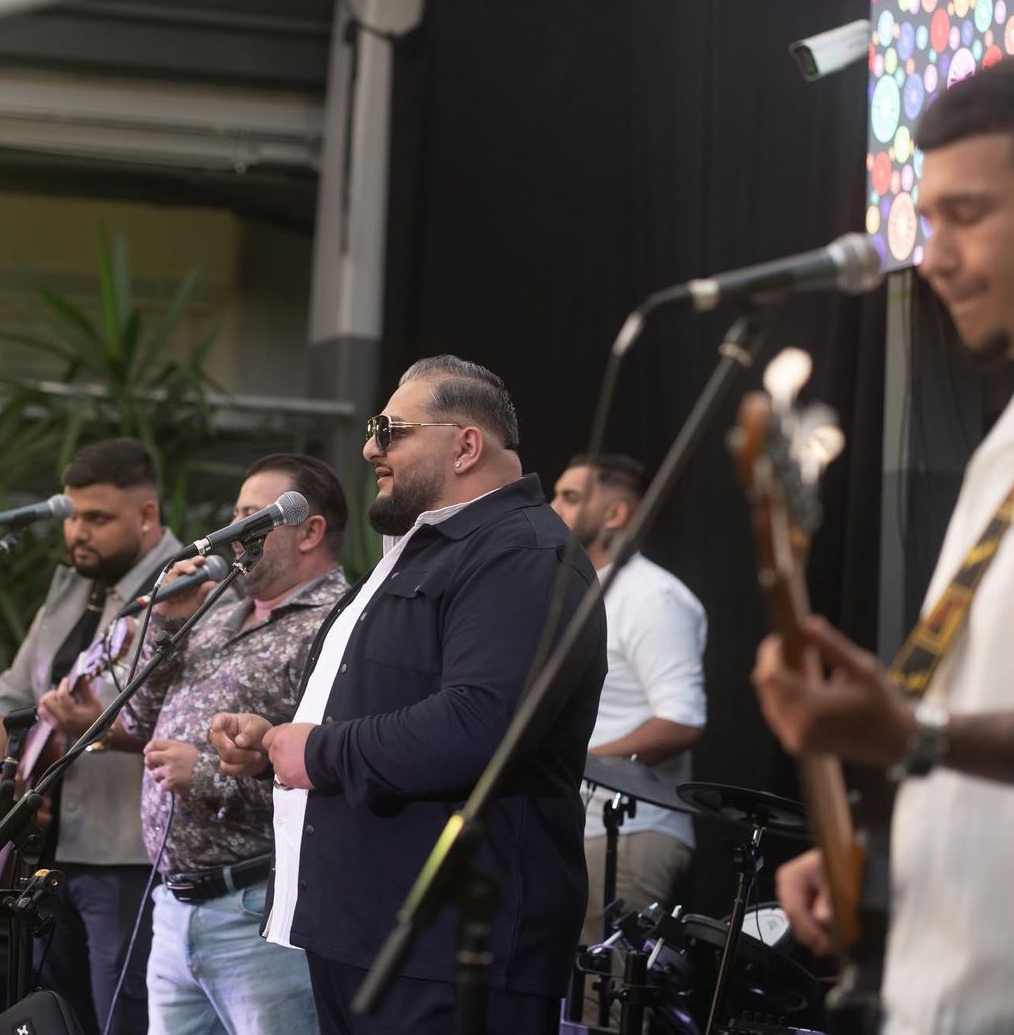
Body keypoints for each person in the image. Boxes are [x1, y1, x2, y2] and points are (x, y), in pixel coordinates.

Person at [750, 54, 1014, 1033]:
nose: (931, 257)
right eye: (928, 220)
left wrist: (915, 736)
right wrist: (885, 842)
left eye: (966, 216)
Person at [209, 355, 607, 1035]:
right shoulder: (422, 550)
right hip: (365, 937)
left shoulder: (524, 552)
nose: (370, 448)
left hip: (449, 957)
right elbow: (383, 702)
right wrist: (276, 737)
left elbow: (480, 724)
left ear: (465, 446)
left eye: (390, 430)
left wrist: (319, 752)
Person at [115, 454, 348, 1035]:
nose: (235, 531)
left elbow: (335, 775)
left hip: (256, 909)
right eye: (236, 514)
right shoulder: (219, 613)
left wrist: (206, 774)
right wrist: (169, 622)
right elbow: (137, 717)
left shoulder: (335, 625)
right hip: (175, 904)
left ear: (310, 532)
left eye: (254, 518)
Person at [0, 438, 181, 1034]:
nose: (78, 533)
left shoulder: (189, 588)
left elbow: (192, 720)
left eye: (98, 518)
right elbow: (8, 698)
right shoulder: (70, 587)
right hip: (46, 853)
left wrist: (96, 726)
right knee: (49, 1019)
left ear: (146, 515)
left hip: (127, 857)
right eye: (71, 516)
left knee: (120, 1020)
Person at [550, 454, 705, 943]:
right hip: (573, 830)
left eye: (570, 497)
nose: (552, 507)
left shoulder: (652, 597)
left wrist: (575, 762)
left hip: (629, 834)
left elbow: (680, 721)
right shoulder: (576, 590)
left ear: (615, 514)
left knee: (608, 987)